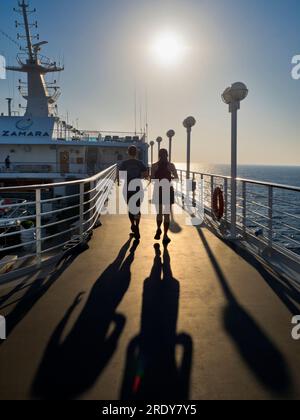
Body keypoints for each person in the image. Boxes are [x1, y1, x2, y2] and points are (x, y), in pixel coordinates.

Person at [118, 146, 149, 240]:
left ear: (128, 152)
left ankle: (132, 225)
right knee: (137, 208)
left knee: (130, 208)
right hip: (138, 188)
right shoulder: (140, 163)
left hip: (127, 188)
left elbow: (121, 176)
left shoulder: (124, 163)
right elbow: (146, 175)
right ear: (136, 153)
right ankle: (137, 225)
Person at [151, 149, 179, 245]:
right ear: (167, 155)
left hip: (158, 190)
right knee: (167, 214)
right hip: (168, 190)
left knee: (159, 213)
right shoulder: (171, 165)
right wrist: (169, 177)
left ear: (159, 155)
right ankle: (165, 236)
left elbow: (152, 179)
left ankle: (158, 229)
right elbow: (176, 178)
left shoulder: (154, 165)